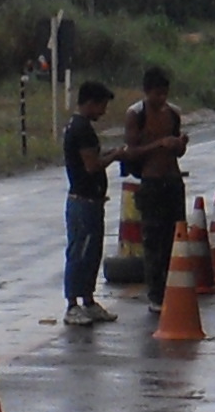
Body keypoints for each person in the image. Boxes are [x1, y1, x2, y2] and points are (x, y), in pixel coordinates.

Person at [122, 63, 190, 297]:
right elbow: (131, 152)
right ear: (146, 91)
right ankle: (156, 291)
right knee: (153, 240)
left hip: (173, 181)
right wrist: (159, 144)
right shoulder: (136, 115)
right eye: (157, 94)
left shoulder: (173, 114)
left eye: (164, 94)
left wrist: (179, 144)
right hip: (151, 183)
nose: (161, 99)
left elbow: (178, 152)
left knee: (176, 236)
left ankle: (175, 287)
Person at [58, 76, 118, 324]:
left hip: (91, 200)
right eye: (102, 105)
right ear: (91, 103)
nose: (103, 111)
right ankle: (73, 304)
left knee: (92, 253)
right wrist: (115, 156)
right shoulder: (82, 129)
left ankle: (88, 300)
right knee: (80, 253)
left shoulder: (78, 126)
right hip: (83, 201)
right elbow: (92, 165)